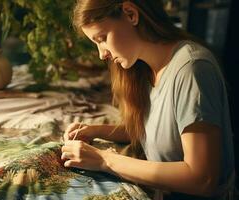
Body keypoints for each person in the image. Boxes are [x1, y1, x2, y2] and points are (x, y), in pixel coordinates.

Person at [61, 0, 235, 199]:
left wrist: (104, 160)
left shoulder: (193, 70)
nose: (102, 54)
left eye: (102, 38)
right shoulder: (144, 68)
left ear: (130, 14)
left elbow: (202, 179)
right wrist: (95, 130)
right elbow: (156, 129)